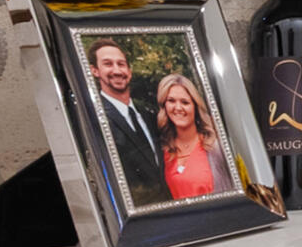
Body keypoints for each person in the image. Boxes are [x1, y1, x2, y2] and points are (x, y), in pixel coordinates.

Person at [88, 41, 169, 206]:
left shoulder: (149, 114)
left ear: (129, 72)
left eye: (121, 64)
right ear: (94, 70)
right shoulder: (95, 120)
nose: (117, 70)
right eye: (108, 64)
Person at [154, 72, 222, 200]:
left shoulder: (215, 147)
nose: (178, 108)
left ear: (195, 107)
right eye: (171, 101)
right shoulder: (164, 150)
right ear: (164, 105)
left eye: (185, 102)